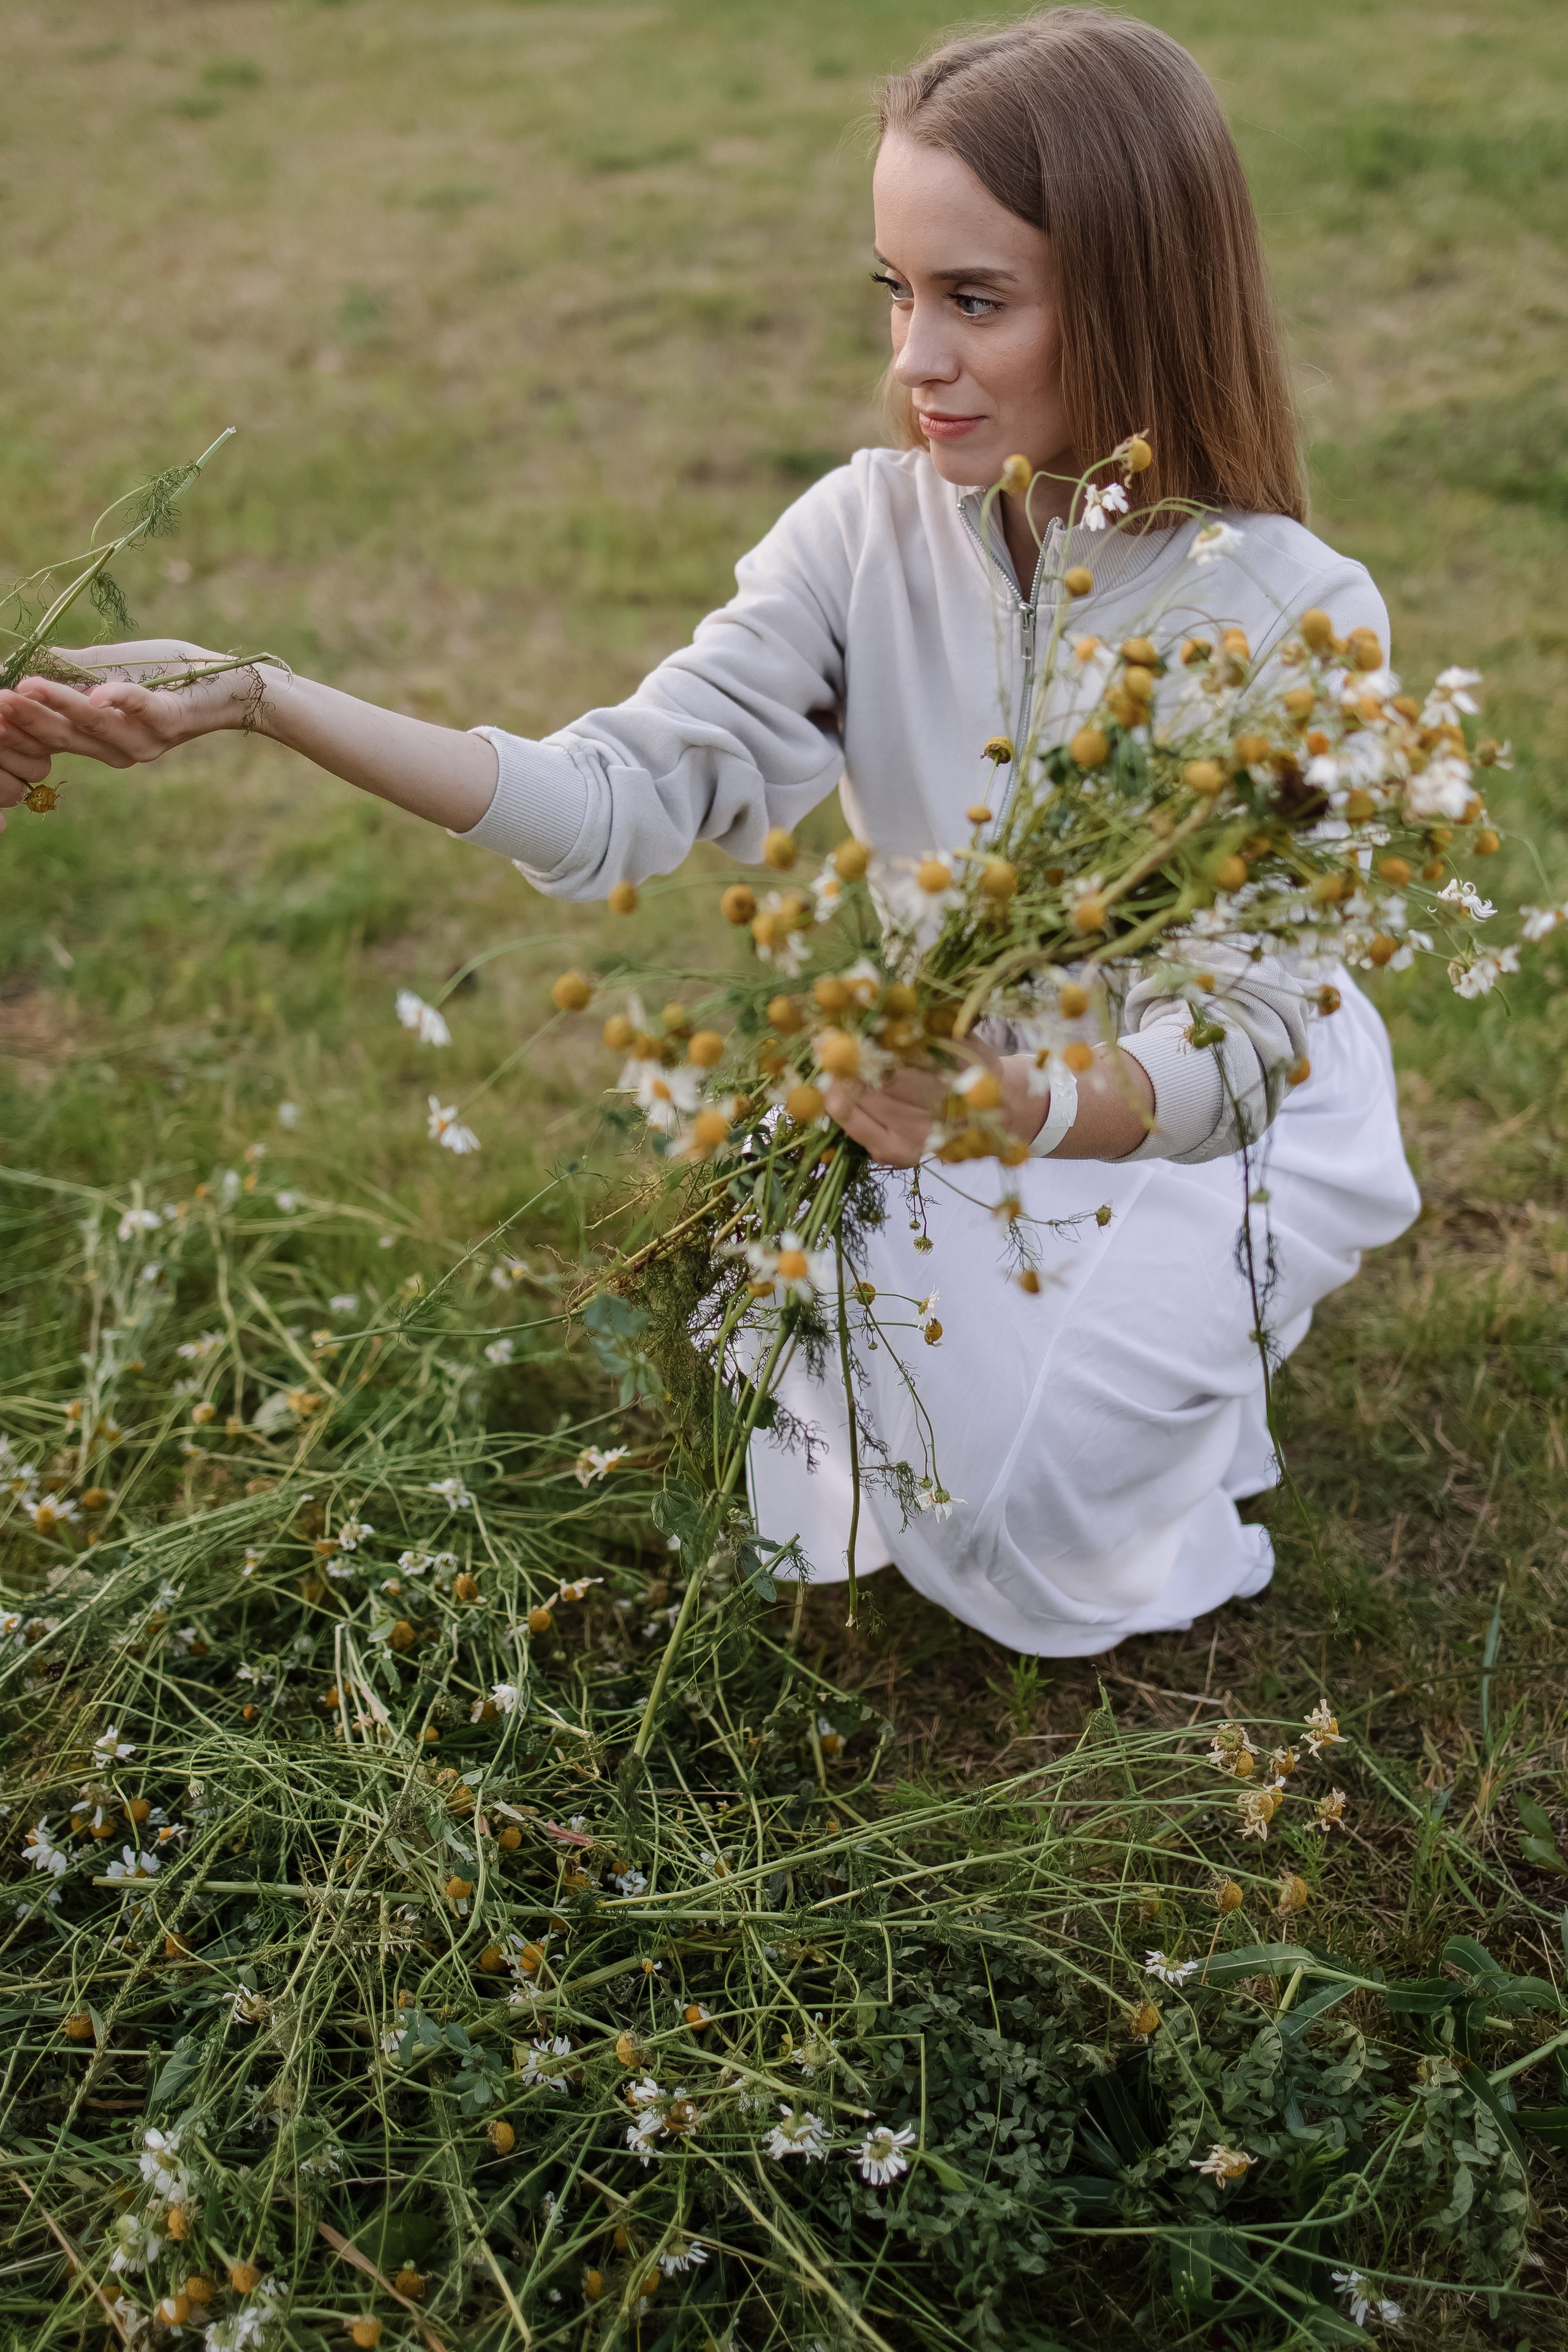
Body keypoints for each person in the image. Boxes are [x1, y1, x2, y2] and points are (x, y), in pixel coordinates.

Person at [0, 10, 1418, 1654]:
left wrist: (1032, 1100)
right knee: (799, 1475)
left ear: (1138, 291)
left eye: (976, 299)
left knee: (1028, 1531)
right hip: (926, 1095)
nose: (914, 360)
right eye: (895, 290)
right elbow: (609, 805)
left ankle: (1199, 1348)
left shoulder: (1287, 614)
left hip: (1199, 1122)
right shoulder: (865, 534)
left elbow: (1243, 1044)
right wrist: (256, 695)